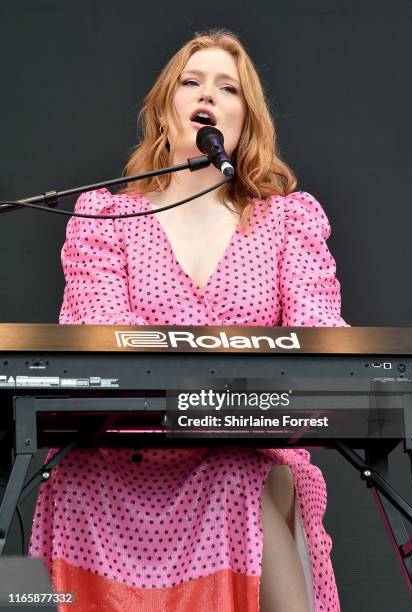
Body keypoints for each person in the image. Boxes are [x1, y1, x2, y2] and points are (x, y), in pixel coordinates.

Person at [29, 29, 347, 612]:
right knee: (60, 483)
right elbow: (103, 337)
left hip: (240, 448)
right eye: (191, 81)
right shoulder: (105, 216)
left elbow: (321, 335)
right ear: (165, 111)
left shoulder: (287, 221)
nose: (208, 94)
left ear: (246, 121)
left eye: (229, 88)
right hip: (116, 453)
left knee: (237, 477)